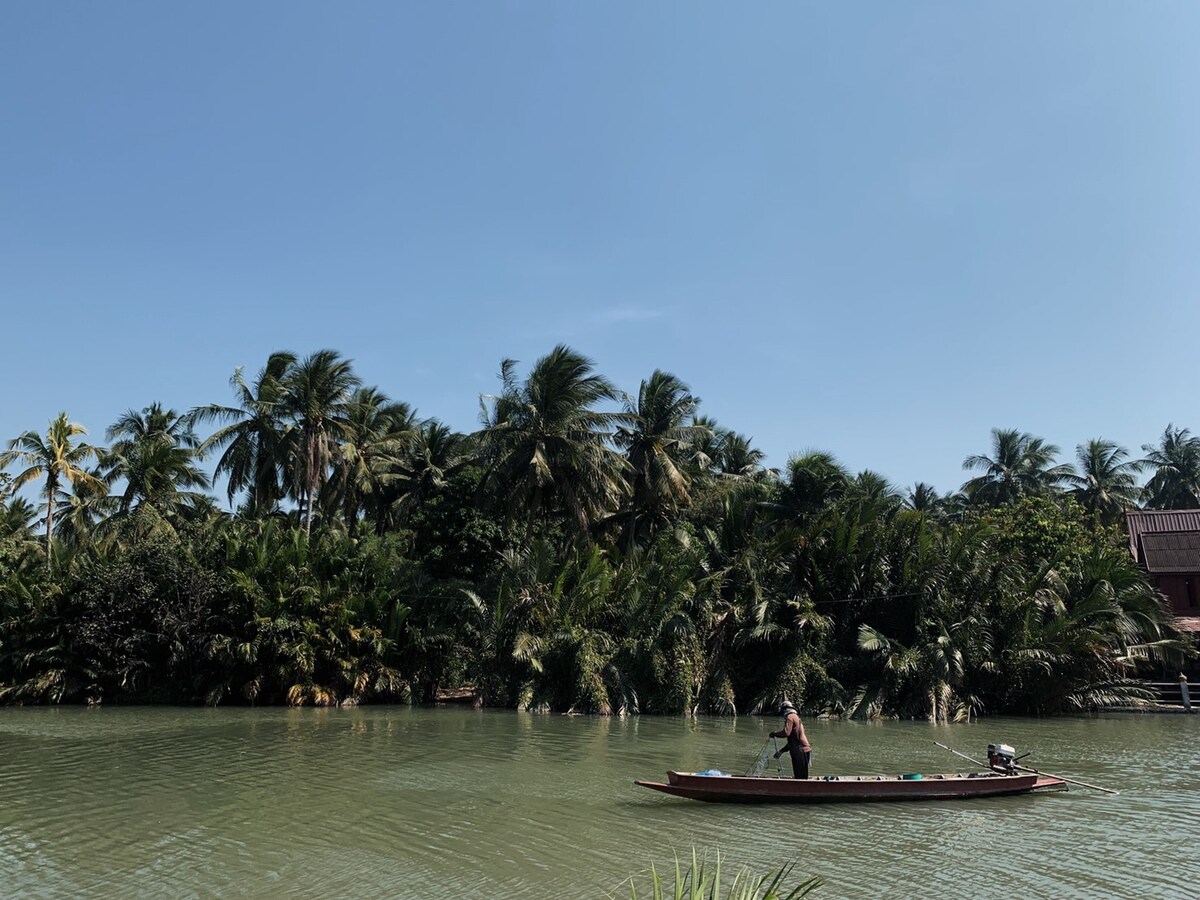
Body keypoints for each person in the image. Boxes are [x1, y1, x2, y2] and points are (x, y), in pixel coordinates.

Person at [770, 700, 812, 779]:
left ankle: (800, 789)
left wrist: (774, 733)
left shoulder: (790, 717)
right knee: (802, 775)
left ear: (784, 709)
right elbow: (793, 741)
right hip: (804, 749)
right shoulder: (796, 717)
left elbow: (786, 733)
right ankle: (801, 789)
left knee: (800, 776)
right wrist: (781, 751)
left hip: (800, 750)